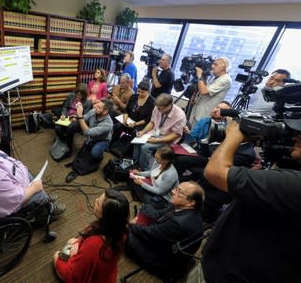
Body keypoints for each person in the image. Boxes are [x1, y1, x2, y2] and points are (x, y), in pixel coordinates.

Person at [190, 119, 301, 283]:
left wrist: (234, 134)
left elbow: (215, 172)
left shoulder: (295, 184)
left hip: (227, 274)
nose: (295, 138)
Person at [126, 181, 204, 277]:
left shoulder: (179, 223)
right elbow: (158, 214)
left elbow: (150, 233)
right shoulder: (181, 206)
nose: (173, 191)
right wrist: (141, 217)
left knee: (123, 233)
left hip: (164, 260)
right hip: (166, 241)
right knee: (147, 208)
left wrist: (130, 225)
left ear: (190, 202)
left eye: (179, 191)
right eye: (176, 188)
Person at [53, 189, 129, 283]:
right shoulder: (122, 231)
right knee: (72, 241)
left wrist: (74, 255)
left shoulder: (95, 243)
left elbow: (74, 275)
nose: (96, 200)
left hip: (90, 277)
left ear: (106, 215)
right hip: (107, 275)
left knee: (56, 255)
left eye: (98, 203)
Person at [63, 99, 114, 182]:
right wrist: (75, 117)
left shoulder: (108, 124)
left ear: (105, 112)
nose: (95, 107)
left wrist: (80, 116)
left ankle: (100, 156)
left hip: (102, 140)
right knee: (85, 149)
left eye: (99, 107)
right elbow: (85, 118)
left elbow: (87, 132)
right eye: (97, 105)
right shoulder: (94, 111)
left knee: (95, 153)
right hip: (92, 136)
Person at [133, 93, 186, 170]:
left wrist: (157, 140)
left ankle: (144, 168)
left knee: (145, 147)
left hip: (167, 138)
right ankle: (135, 162)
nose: (158, 110)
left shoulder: (180, 115)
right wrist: (143, 132)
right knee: (137, 140)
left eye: (160, 109)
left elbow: (176, 135)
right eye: (157, 108)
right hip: (155, 133)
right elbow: (152, 123)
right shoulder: (157, 108)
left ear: (169, 106)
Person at [189, 57, 232, 126]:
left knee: (195, 135)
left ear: (223, 67)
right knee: (190, 132)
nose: (212, 66)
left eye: (215, 64)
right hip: (198, 111)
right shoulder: (216, 77)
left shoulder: (225, 79)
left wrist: (199, 75)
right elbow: (203, 88)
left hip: (204, 115)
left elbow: (204, 91)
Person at [110, 80, 154, 146]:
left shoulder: (152, 102)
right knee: (118, 126)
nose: (139, 93)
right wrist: (125, 120)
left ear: (148, 91)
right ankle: (112, 144)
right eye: (138, 91)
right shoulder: (134, 97)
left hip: (140, 123)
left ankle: (125, 150)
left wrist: (135, 123)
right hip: (129, 120)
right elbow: (126, 110)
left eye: (142, 92)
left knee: (135, 132)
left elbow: (148, 119)